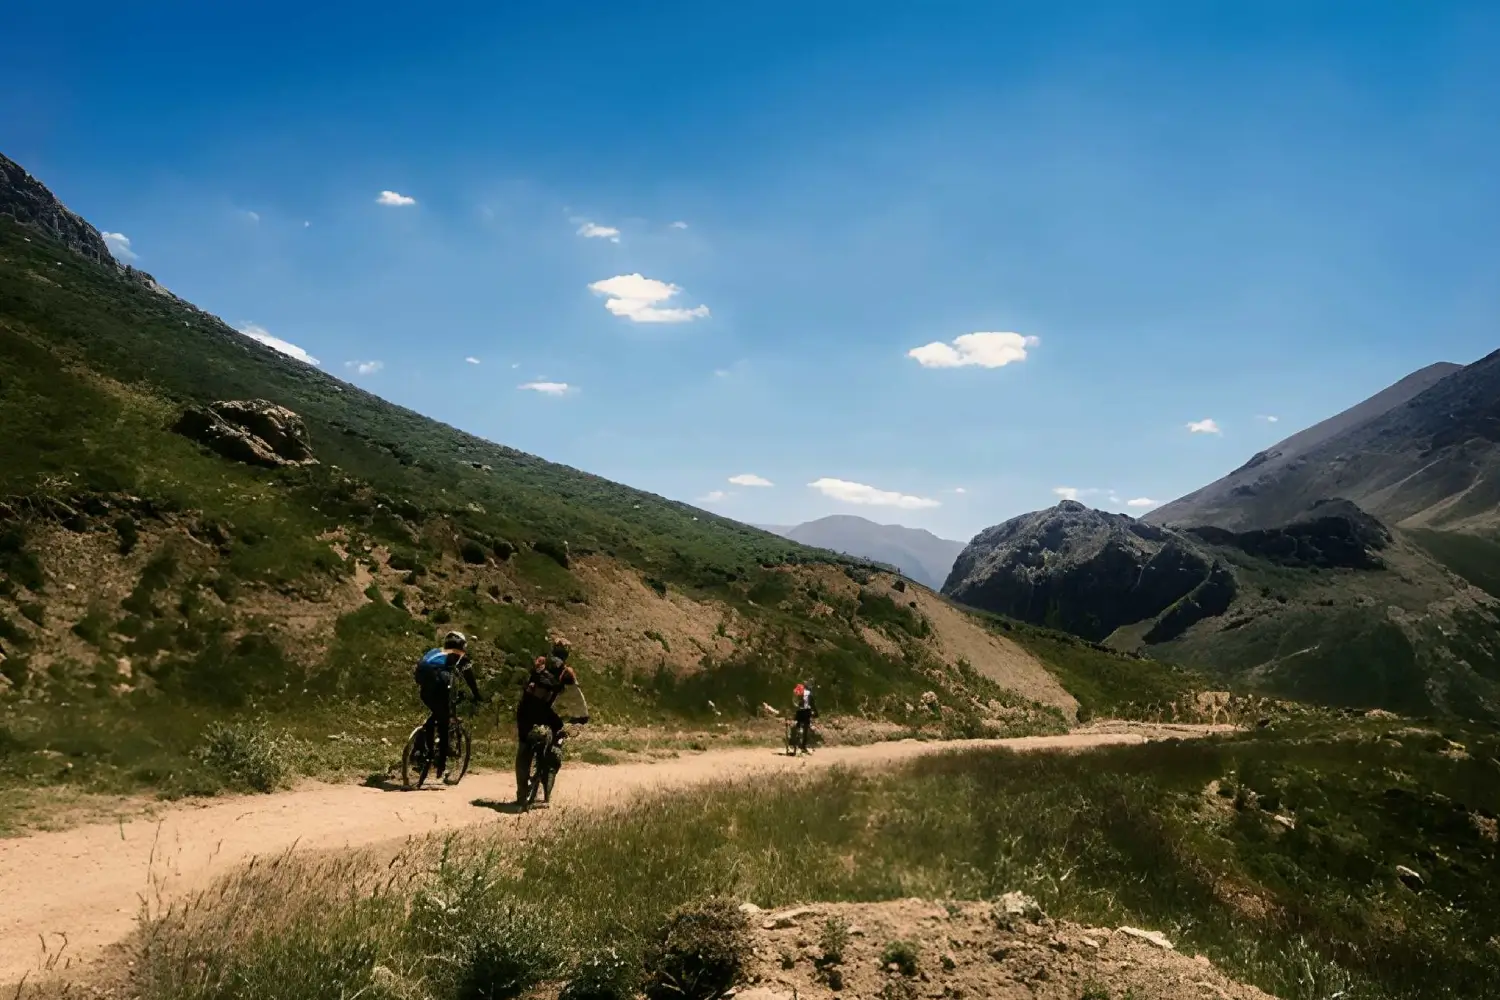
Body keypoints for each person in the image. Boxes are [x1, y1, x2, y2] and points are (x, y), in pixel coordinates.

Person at [515, 635, 588, 802]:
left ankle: (521, 792)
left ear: (552, 650)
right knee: (559, 733)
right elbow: (576, 696)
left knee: (524, 748)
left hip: (525, 709)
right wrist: (582, 716)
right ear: (567, 655)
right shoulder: (566, 672)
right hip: (544, 712)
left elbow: (525, 681)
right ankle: (550, 770)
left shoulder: (540, 662)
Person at [413, 630, 483, 779]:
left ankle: (420, 748)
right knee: (444, 721)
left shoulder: (434, 651)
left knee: (436, 713)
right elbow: (469, 676)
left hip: (424, 685)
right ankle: (441, 763)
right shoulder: (459, 656)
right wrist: (477, 695)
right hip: (438, 682)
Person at [792, 681, 818, 754]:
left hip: (803, 711)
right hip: (804, 711)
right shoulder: (807, 693)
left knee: (801, 727)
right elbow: (812, 704)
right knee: (805, 728)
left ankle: (799, 744)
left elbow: (794, 702)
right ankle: (801, 745)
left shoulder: (798, 692)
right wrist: (815, 712)